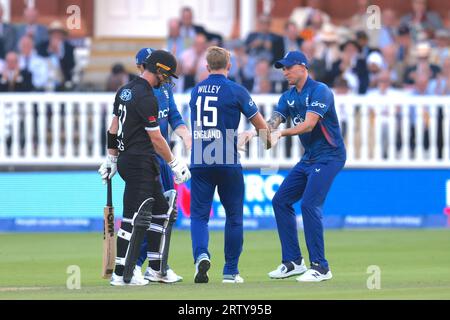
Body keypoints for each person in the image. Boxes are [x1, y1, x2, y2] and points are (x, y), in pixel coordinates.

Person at [98, 50, 191, 286]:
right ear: (158, 70)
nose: (167, 80)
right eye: (167, 75)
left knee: (162, 211)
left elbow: (113, 128)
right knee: (132, 218)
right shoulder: (147, 96)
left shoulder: (125, 90)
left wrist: (112, 158)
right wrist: (174, 162)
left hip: (131, 160)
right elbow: (156, 138)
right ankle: (121, 274)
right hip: (141, 161)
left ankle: (157, 269)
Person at [189, 46, 270, 284]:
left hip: (201, 157)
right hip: (226, 157)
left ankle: (201, 256)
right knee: (234, 216)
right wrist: (259, 138)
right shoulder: (237, 91)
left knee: (199, 216)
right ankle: (230, 271)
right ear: (229, 66)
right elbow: (262, 128)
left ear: (206, 66)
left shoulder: (196, 90)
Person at [266, 51, 346, 282]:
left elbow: (309, 125)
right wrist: (254, 132)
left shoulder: (320, 90)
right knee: (280, 201)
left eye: (289, 67)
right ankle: (293, 262)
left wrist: (280, 133)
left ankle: (321, 267)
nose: (285, 72)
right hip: (310, 157)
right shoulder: (288, 96)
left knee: (310, 205)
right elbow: (273, 123)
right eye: (283, 68)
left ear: (303, 67)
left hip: (330, 156)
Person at [133, 47, 192, 283]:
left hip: (165, 158)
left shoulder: (165, 87)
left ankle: (158, 265)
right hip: (149, 158)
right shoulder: (141, 92)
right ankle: (136, 264)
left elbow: (174, 116)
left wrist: (186, 136)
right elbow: (150, 135)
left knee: (167, 214)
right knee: (152, 213)